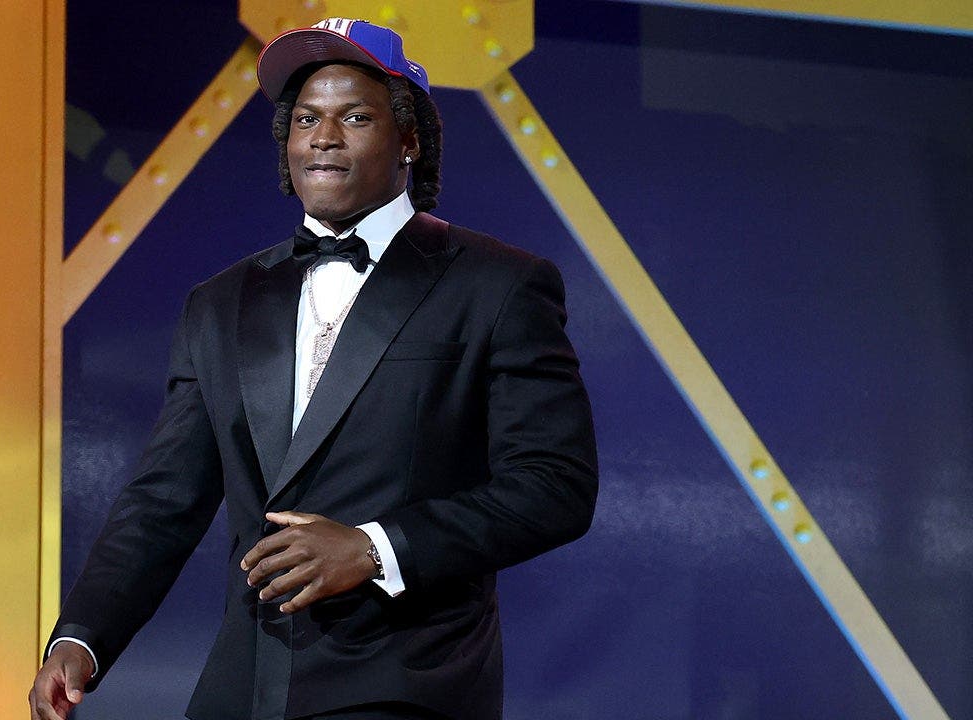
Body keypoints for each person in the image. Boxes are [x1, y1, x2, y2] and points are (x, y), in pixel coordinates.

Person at [30, 18, 598, 720]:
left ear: (410, 139)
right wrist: (83, 637)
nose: (323, 137)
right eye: (305, 119)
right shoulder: (220, 302)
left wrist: (373, 548)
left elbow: (554, 485)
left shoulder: (498, 284)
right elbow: (163, 499)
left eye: (355, 117)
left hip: (404, 686)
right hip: (243, 690)